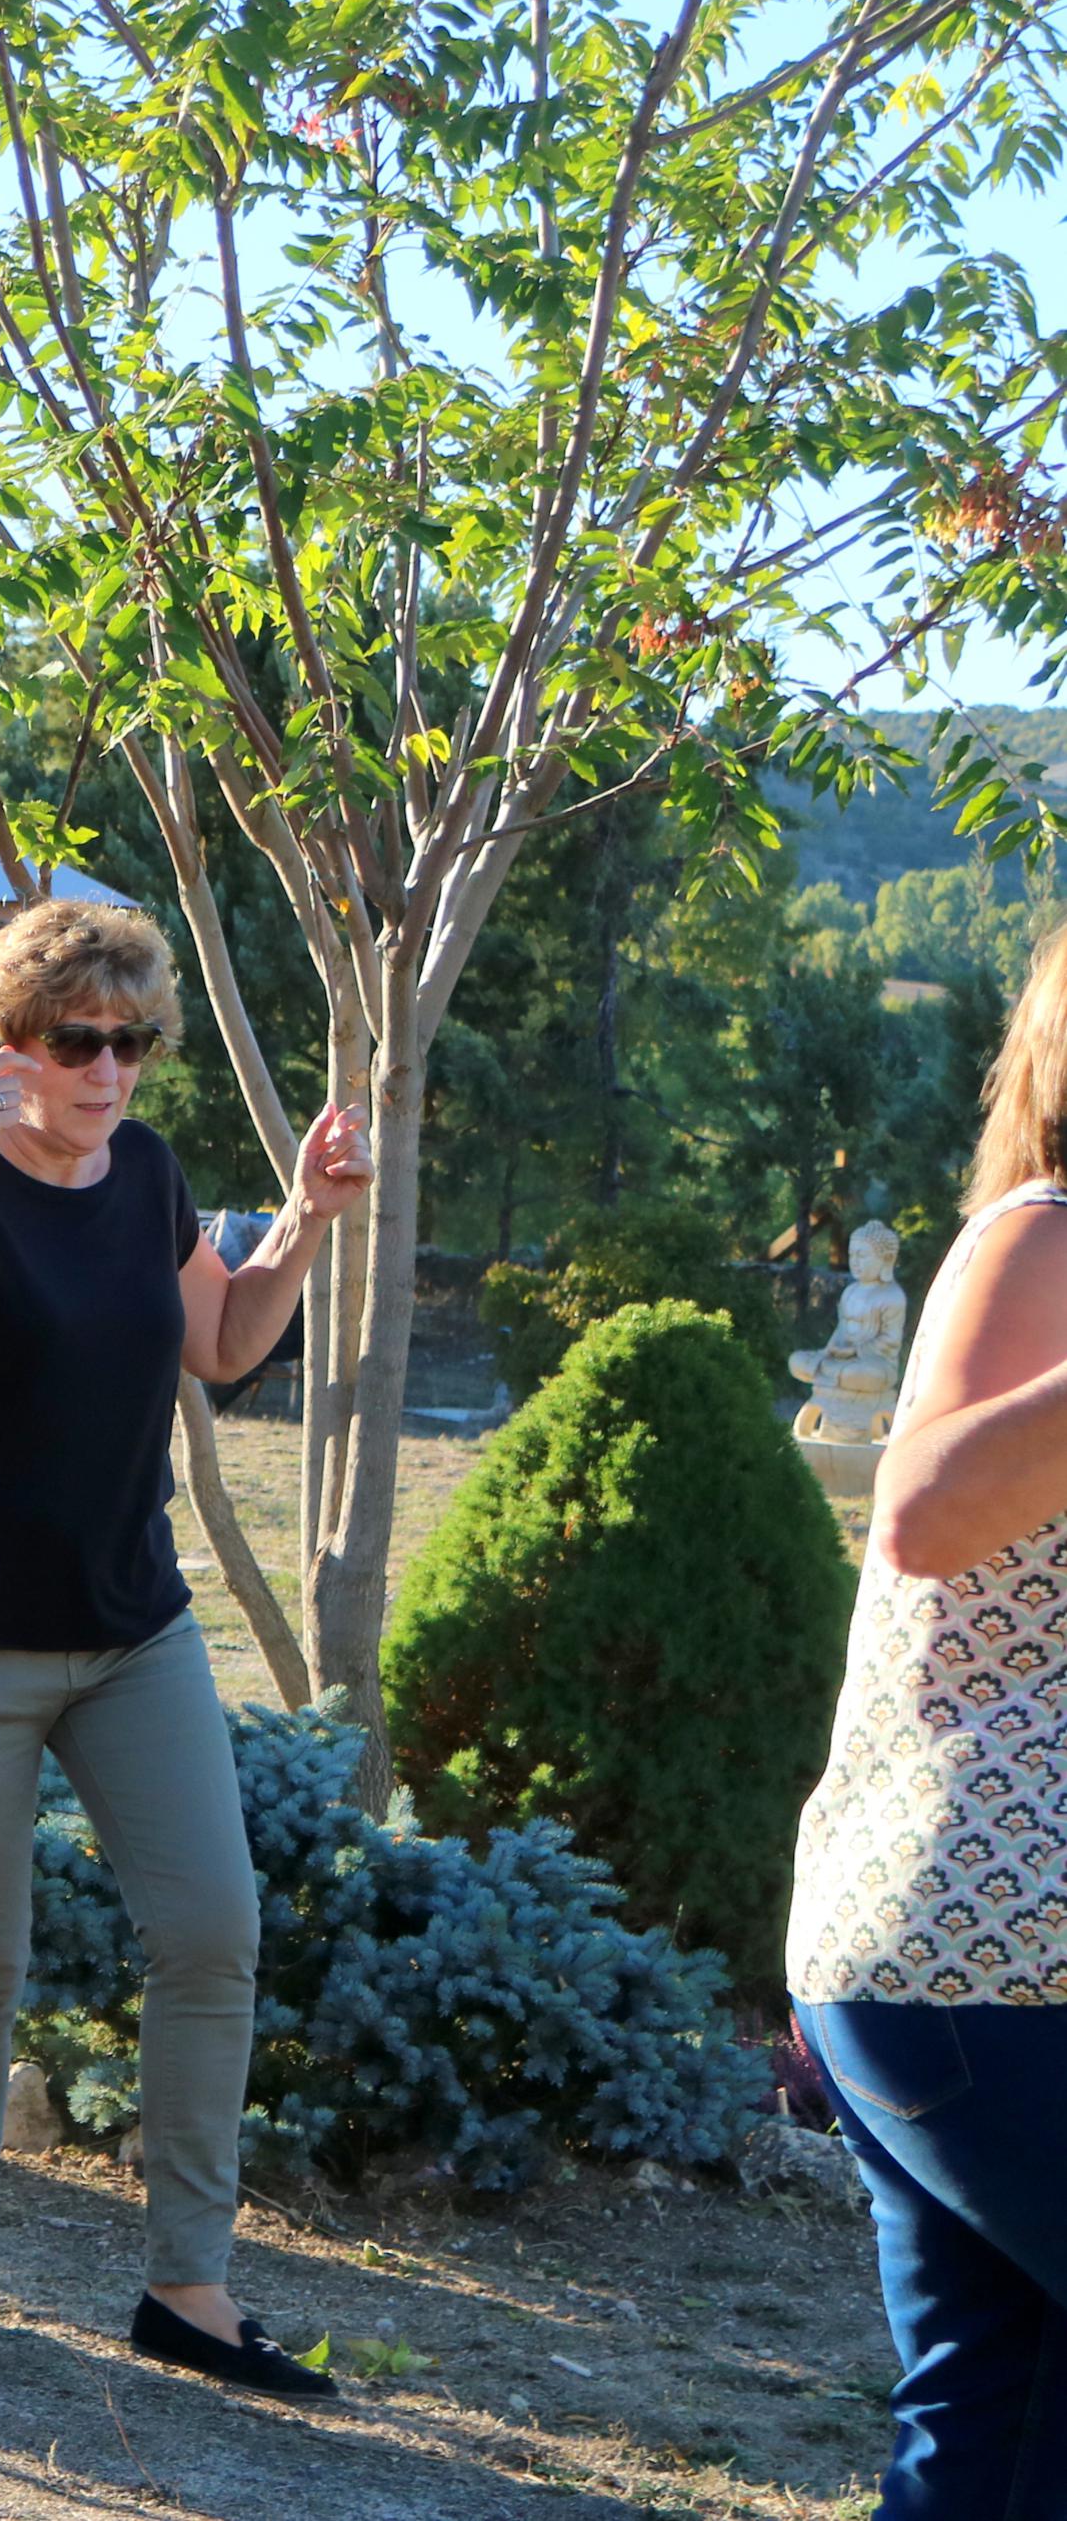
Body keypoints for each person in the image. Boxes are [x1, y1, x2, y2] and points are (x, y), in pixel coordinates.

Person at [0, 897, 369, 2396]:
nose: (107, 1067)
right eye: (74, 1038)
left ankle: (186, 2283)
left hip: (129, 1632)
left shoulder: (150, 1171)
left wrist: (300, 1220)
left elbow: (225, 1344)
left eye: (130, 1039)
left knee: (209, 1933)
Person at [788, 922, 1067, 2518]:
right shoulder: (1035, 1233)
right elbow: (925, 1507)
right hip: (987, 1950)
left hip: (957, 1963)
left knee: (1000, 2440)